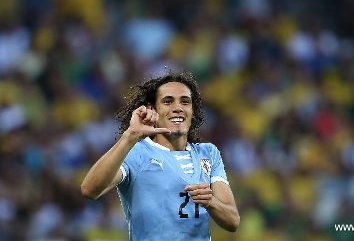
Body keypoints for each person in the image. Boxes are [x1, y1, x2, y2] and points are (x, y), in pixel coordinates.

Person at [80, 70, 240, 240]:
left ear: (193, 110)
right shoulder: (137, 152)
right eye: (168, 101)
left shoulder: (208, 153)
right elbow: (89, 190)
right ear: (152, 109)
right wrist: (130, 136)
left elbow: (233, 221)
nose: (177, 108)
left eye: (185, 102)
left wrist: (211, 202)